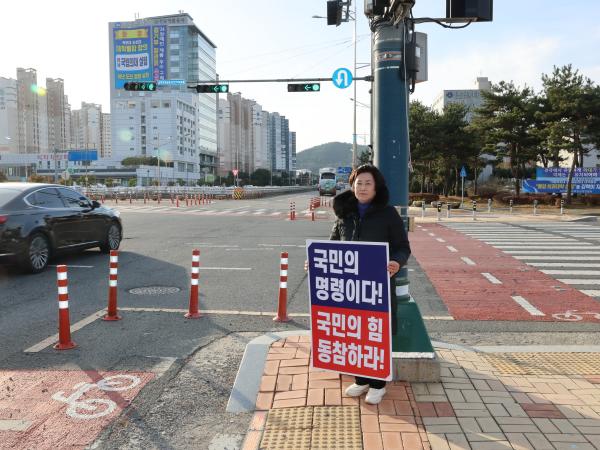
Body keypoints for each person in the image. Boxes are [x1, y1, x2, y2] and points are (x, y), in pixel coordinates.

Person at [331, 164, 411, 405]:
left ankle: (378, 384)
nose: (362, 187)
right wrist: (316, 262)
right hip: (350, 287)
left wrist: (396, 262)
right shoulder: (345, 213)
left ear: (376, 187)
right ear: (352, 185)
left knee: (376, 333)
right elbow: (333, 244)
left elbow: (402, 247)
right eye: (358, 183)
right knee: (354, 332)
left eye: (368, 183)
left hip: (378, 287)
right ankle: (361, 379)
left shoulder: (388, 214)